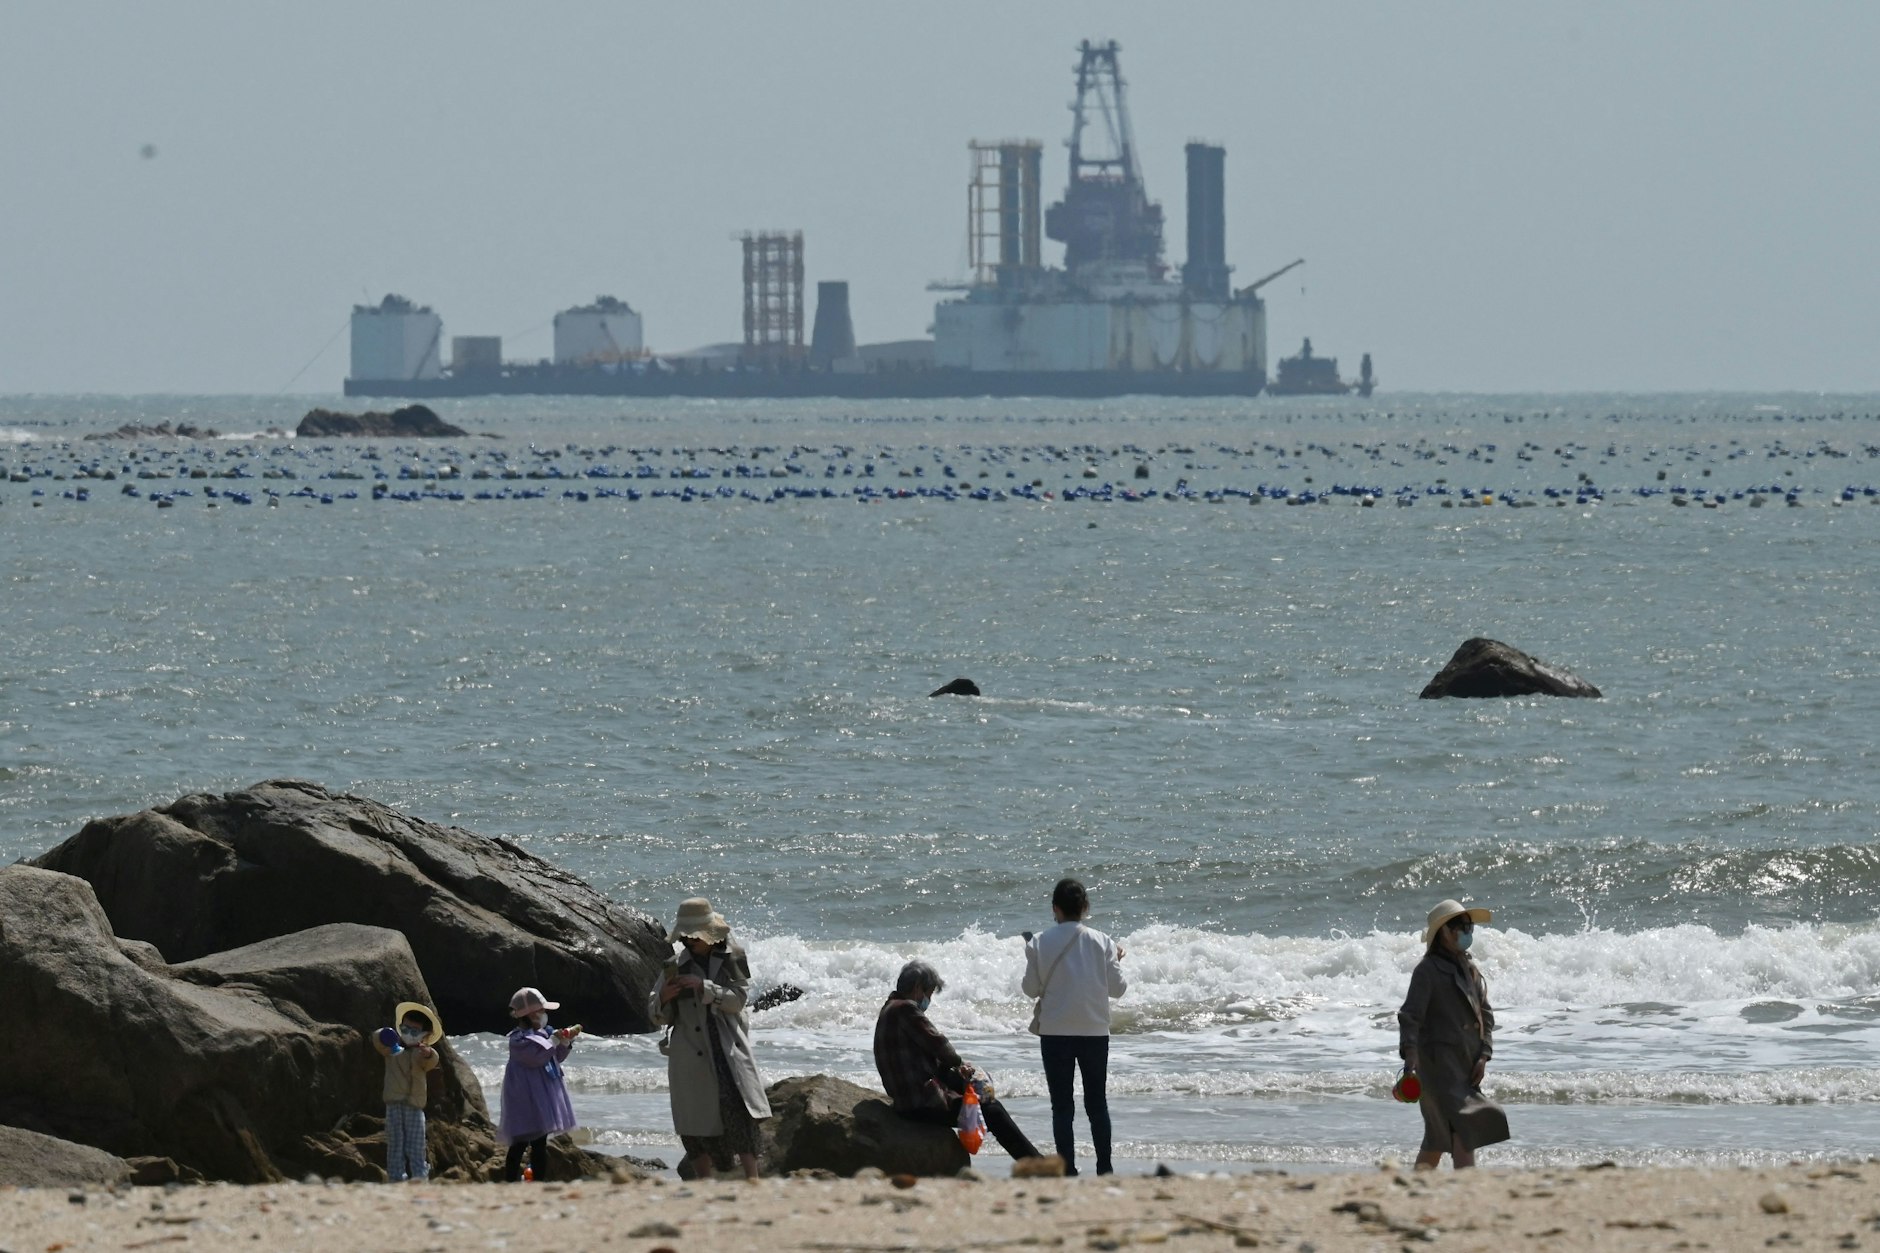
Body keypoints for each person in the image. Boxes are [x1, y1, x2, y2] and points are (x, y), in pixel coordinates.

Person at [648, 897, 772, 1180]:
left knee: (739, 1114)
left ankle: (753, 1179)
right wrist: (664, 999)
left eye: (692, 937)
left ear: (708, 934)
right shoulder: (673, 965)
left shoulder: (733, 956)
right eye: (685, 937)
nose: (687, 942)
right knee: (693, 1124)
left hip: (726, 1046)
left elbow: (738, 1001)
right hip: (688, 1053)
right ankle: (704, 1182)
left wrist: (704, 987)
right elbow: (656, 1013)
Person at [874, 959, 1043, 1165]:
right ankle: (1037, 1164)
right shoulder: (906, 1009)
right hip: (920, 1103)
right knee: (992, 1111)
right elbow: (939, 1045)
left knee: (970, 1091)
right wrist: (960, 1063)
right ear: (918, 988)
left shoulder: (889, 1009)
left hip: (907, 1099)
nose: (929, 1000)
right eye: (929, 993)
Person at [1023, 877, 1127, 1176]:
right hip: (1094, 1032)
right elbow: (1118, 989)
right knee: (1097, 1105)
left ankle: (1067, 1170)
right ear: (1085, 907)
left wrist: (1032, 958)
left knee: (1062, 1107)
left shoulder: (1040, 942)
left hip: (1055, 1033)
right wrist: (1116, 960)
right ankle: (1105, 1168)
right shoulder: (1103, 941)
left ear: (1055, 908)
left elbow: (1030, 989)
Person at [1397, 898, 1505, 1170]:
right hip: (1436, 1068)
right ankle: (1465, 1196)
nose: (1468, 932)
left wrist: (1484, 1056)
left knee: (1436, 1139)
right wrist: (1410, 1064)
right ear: (1444, 931)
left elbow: (1485, 1015)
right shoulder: (1427, 971)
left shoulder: (1470, 970)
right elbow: (1410, 1017)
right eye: (1461, 926)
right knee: (1463, 1131)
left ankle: (1414, 1190)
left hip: (1466, 1065)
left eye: (1470, 926)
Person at [500, 986, 581, 1181]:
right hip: (524, 1096)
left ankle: (538, 1182)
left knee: (539, 1143)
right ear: (529, 1014)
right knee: (520, 1140)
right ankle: (510, 1181)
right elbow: (535, 1058)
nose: (544, 1015)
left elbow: (555, 1058)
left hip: (543, 1095)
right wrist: (553, 1041)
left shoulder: (546, 1033)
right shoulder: (518, 1039)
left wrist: (564, 1042)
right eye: (541, 1011)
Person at [370, 1001, 442, 1182]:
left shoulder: (422, 1054)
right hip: (394, 1104)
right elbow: (377, 1040)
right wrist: (385, 1034)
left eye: (414, 1031)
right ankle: (396, 1179)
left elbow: (432, 1060)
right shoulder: (393, 1051)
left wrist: (427, 1053)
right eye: (405, 1029)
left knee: (416, 1146)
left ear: (425, 1036)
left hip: (414, 1106)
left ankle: (419, 1178)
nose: (408, 1034)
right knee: (395, 1145)